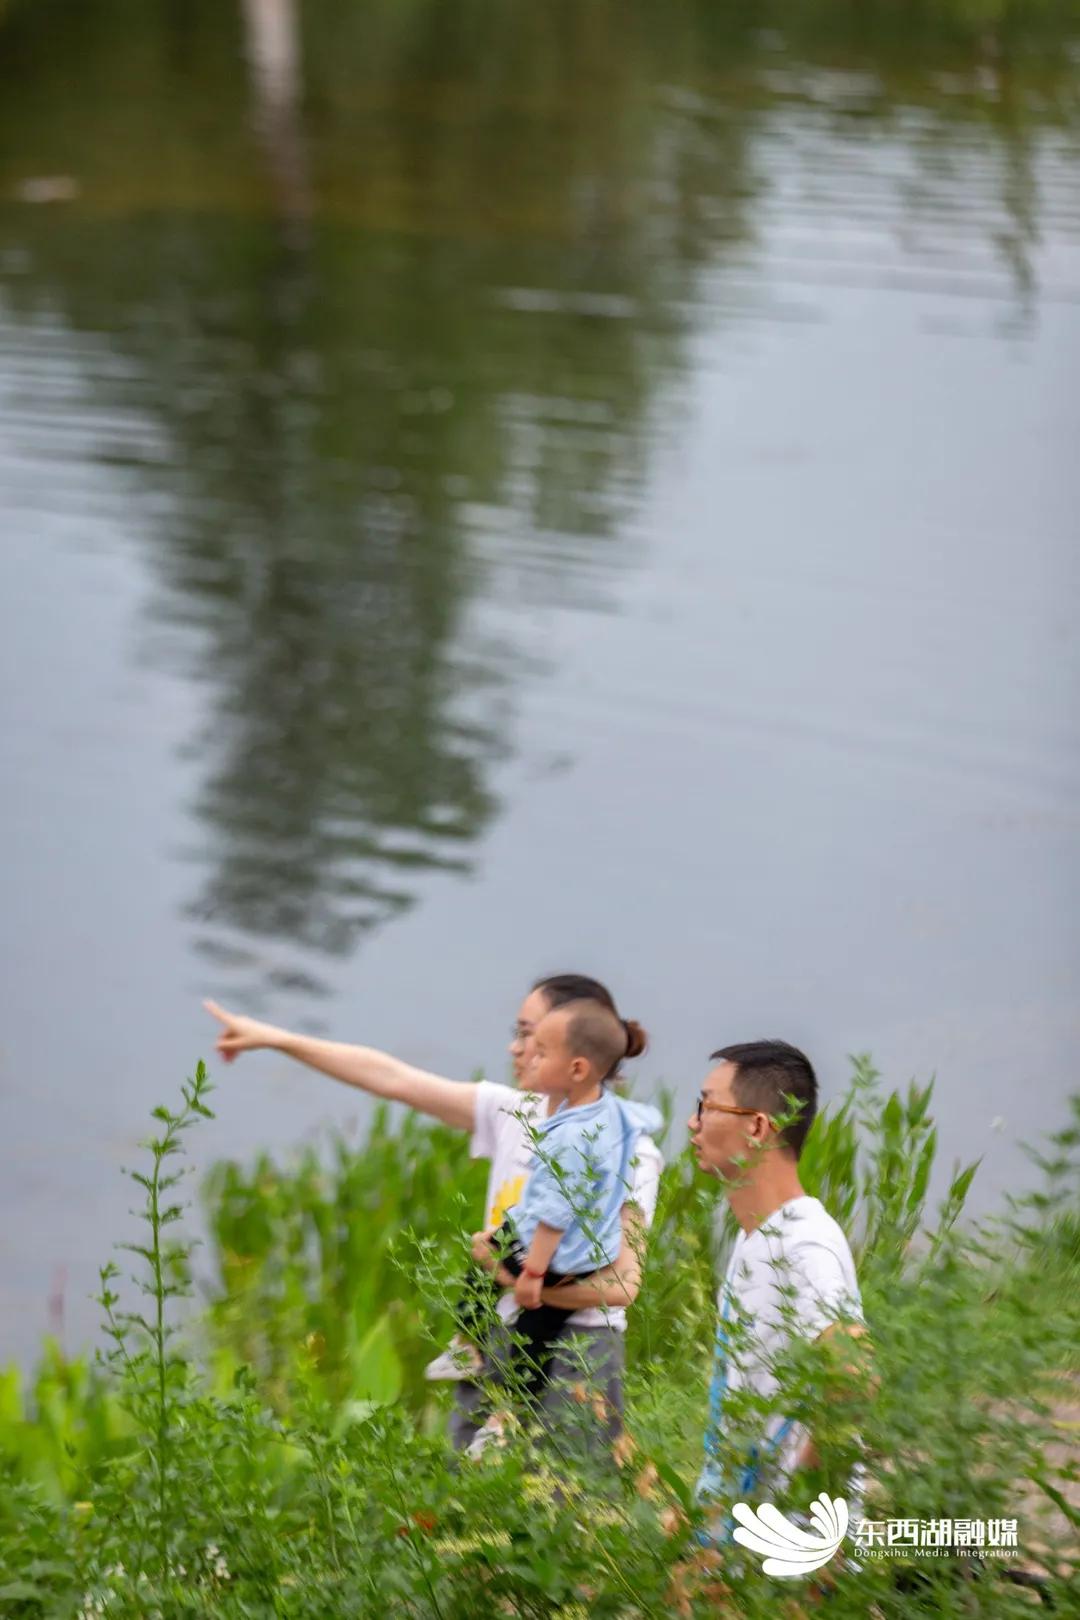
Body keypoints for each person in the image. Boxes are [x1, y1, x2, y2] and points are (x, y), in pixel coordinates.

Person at [204, 973, 663, 1453]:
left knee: (558, 1508)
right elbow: (392, 1079)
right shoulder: (514, 1114)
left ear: (576, 1054)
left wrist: (518, 1280)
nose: (515, 1048)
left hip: (576, 1356)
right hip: (494, 1343)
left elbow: (621, 1285)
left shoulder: (627, 1150)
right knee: (466, 1508)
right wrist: (273, 1038)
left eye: (529, 1035)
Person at [687, 1040, 867, 1539]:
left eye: (706, 1106)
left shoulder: (806, 1244)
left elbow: (852, 1380)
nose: (693, 1123)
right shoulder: (757, 1241)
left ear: (758, 1127)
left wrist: (803, 1517)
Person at [461, 999, 659, 1411]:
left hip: (564, 1266)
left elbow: (556, 1215)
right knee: (495, 1255)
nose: (525, 1054)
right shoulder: (604, 1114)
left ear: (577, 1069)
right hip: (580, 1246)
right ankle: (475, 1351)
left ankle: (504, 1402)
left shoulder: (571, 1139)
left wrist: (527, 1276)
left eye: (541, 1049)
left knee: (525, 1318)